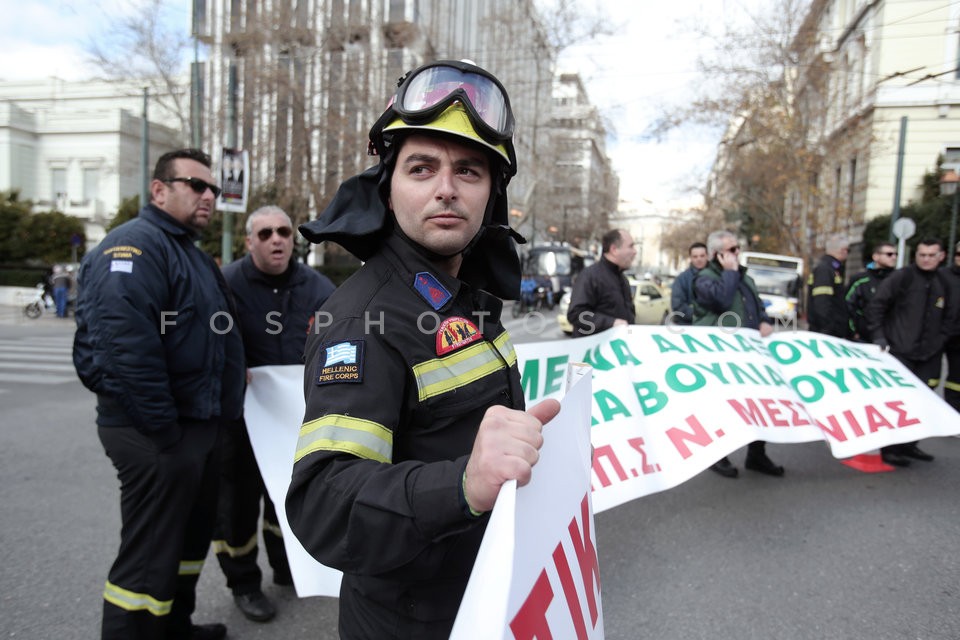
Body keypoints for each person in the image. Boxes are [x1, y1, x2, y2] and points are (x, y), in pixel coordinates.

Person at [284, 59, 561, 639]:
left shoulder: (465, 300)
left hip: (478, 597)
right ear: (388, 190)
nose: (446, 188)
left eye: (468, 171)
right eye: (421, 168)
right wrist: (463, 485)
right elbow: (324, 506)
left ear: (491, 194)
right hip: (409, 621)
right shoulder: (361, 321)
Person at [73, 148, 244, 640]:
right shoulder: (133, 247)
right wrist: (166, 432)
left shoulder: (187, 251)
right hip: (156, 433)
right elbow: (124, 350)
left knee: (187, 543)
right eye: (197, 184)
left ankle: (174, 628)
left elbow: (210, 335)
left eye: (212, 188)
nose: (209, 195)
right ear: (159, 190)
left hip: (197, 428)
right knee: (148, 556)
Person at [215, 205, 335, 622]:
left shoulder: (318, 287)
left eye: (283, 231)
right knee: (237, 508)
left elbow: (336, 342)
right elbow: (209, 343)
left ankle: (286, 567)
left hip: (290, 421)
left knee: (285, 498)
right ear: (250, 242)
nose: (276, 239)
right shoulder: (225, 284)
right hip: (238, 423)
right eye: (264, 234)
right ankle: (244, 583)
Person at [693, 230, 784, 479]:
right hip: (722, 356)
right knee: (724, 405)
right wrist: (730, 272)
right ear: (718, 254)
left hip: (751, 355)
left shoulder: (746, 279)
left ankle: (757, 453)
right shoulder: (705, 278)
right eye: (732, 250)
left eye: (737, 249)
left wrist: (764, 321)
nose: (737, 254)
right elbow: (721, 301)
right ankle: (718, 455)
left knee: (757, 403)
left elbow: (756, 307)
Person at [865, 237, 951, 467]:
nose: (926, 259)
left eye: (931, 255)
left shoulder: (945, 281)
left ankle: (910, 444)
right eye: (922, 255)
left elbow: (952, 316)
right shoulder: (902, 277)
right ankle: (890, 448)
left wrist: (941, 339)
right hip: (900, 352)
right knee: (898, 403)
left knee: (923, 401)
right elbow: (877, 307)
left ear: (941, 256)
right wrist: (880, 337)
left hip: (930, 354)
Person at [566, 228, 637, 336]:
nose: (635, 252)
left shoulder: (623, 280)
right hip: (593, 350)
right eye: (630, 246)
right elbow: (576, 314)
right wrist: (610, 323)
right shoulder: (590, 276)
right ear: (614, 249)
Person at [844, 241, 897, 341]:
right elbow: (847, 306)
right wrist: (853, 332)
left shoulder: (899, 280)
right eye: (889, 254)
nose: (893, 257)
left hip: (892, 339)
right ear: (876, 256)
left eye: (895, 254)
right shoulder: (861, 280)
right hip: (863, 338)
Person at [806, 233, 849, 336]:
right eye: (848, 250)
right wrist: (828, 328)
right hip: (826, 332)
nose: (847, 253)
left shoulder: (831, 268)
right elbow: (822, 302)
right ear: (842, 250)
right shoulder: (825, 269)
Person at [670, 241, 707, 325]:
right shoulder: (681, 279)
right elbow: (678, 306)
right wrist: (702, 315)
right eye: (695, 256)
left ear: (707, 256)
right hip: (688, 328)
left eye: (702, 256)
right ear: (690, 257)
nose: (699, 259)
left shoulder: (716, 276)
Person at [944, 242, 960, 413]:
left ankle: (953, 411)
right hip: (938, 333)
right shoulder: (943, 276)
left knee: (956, 378)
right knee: (930, 376)